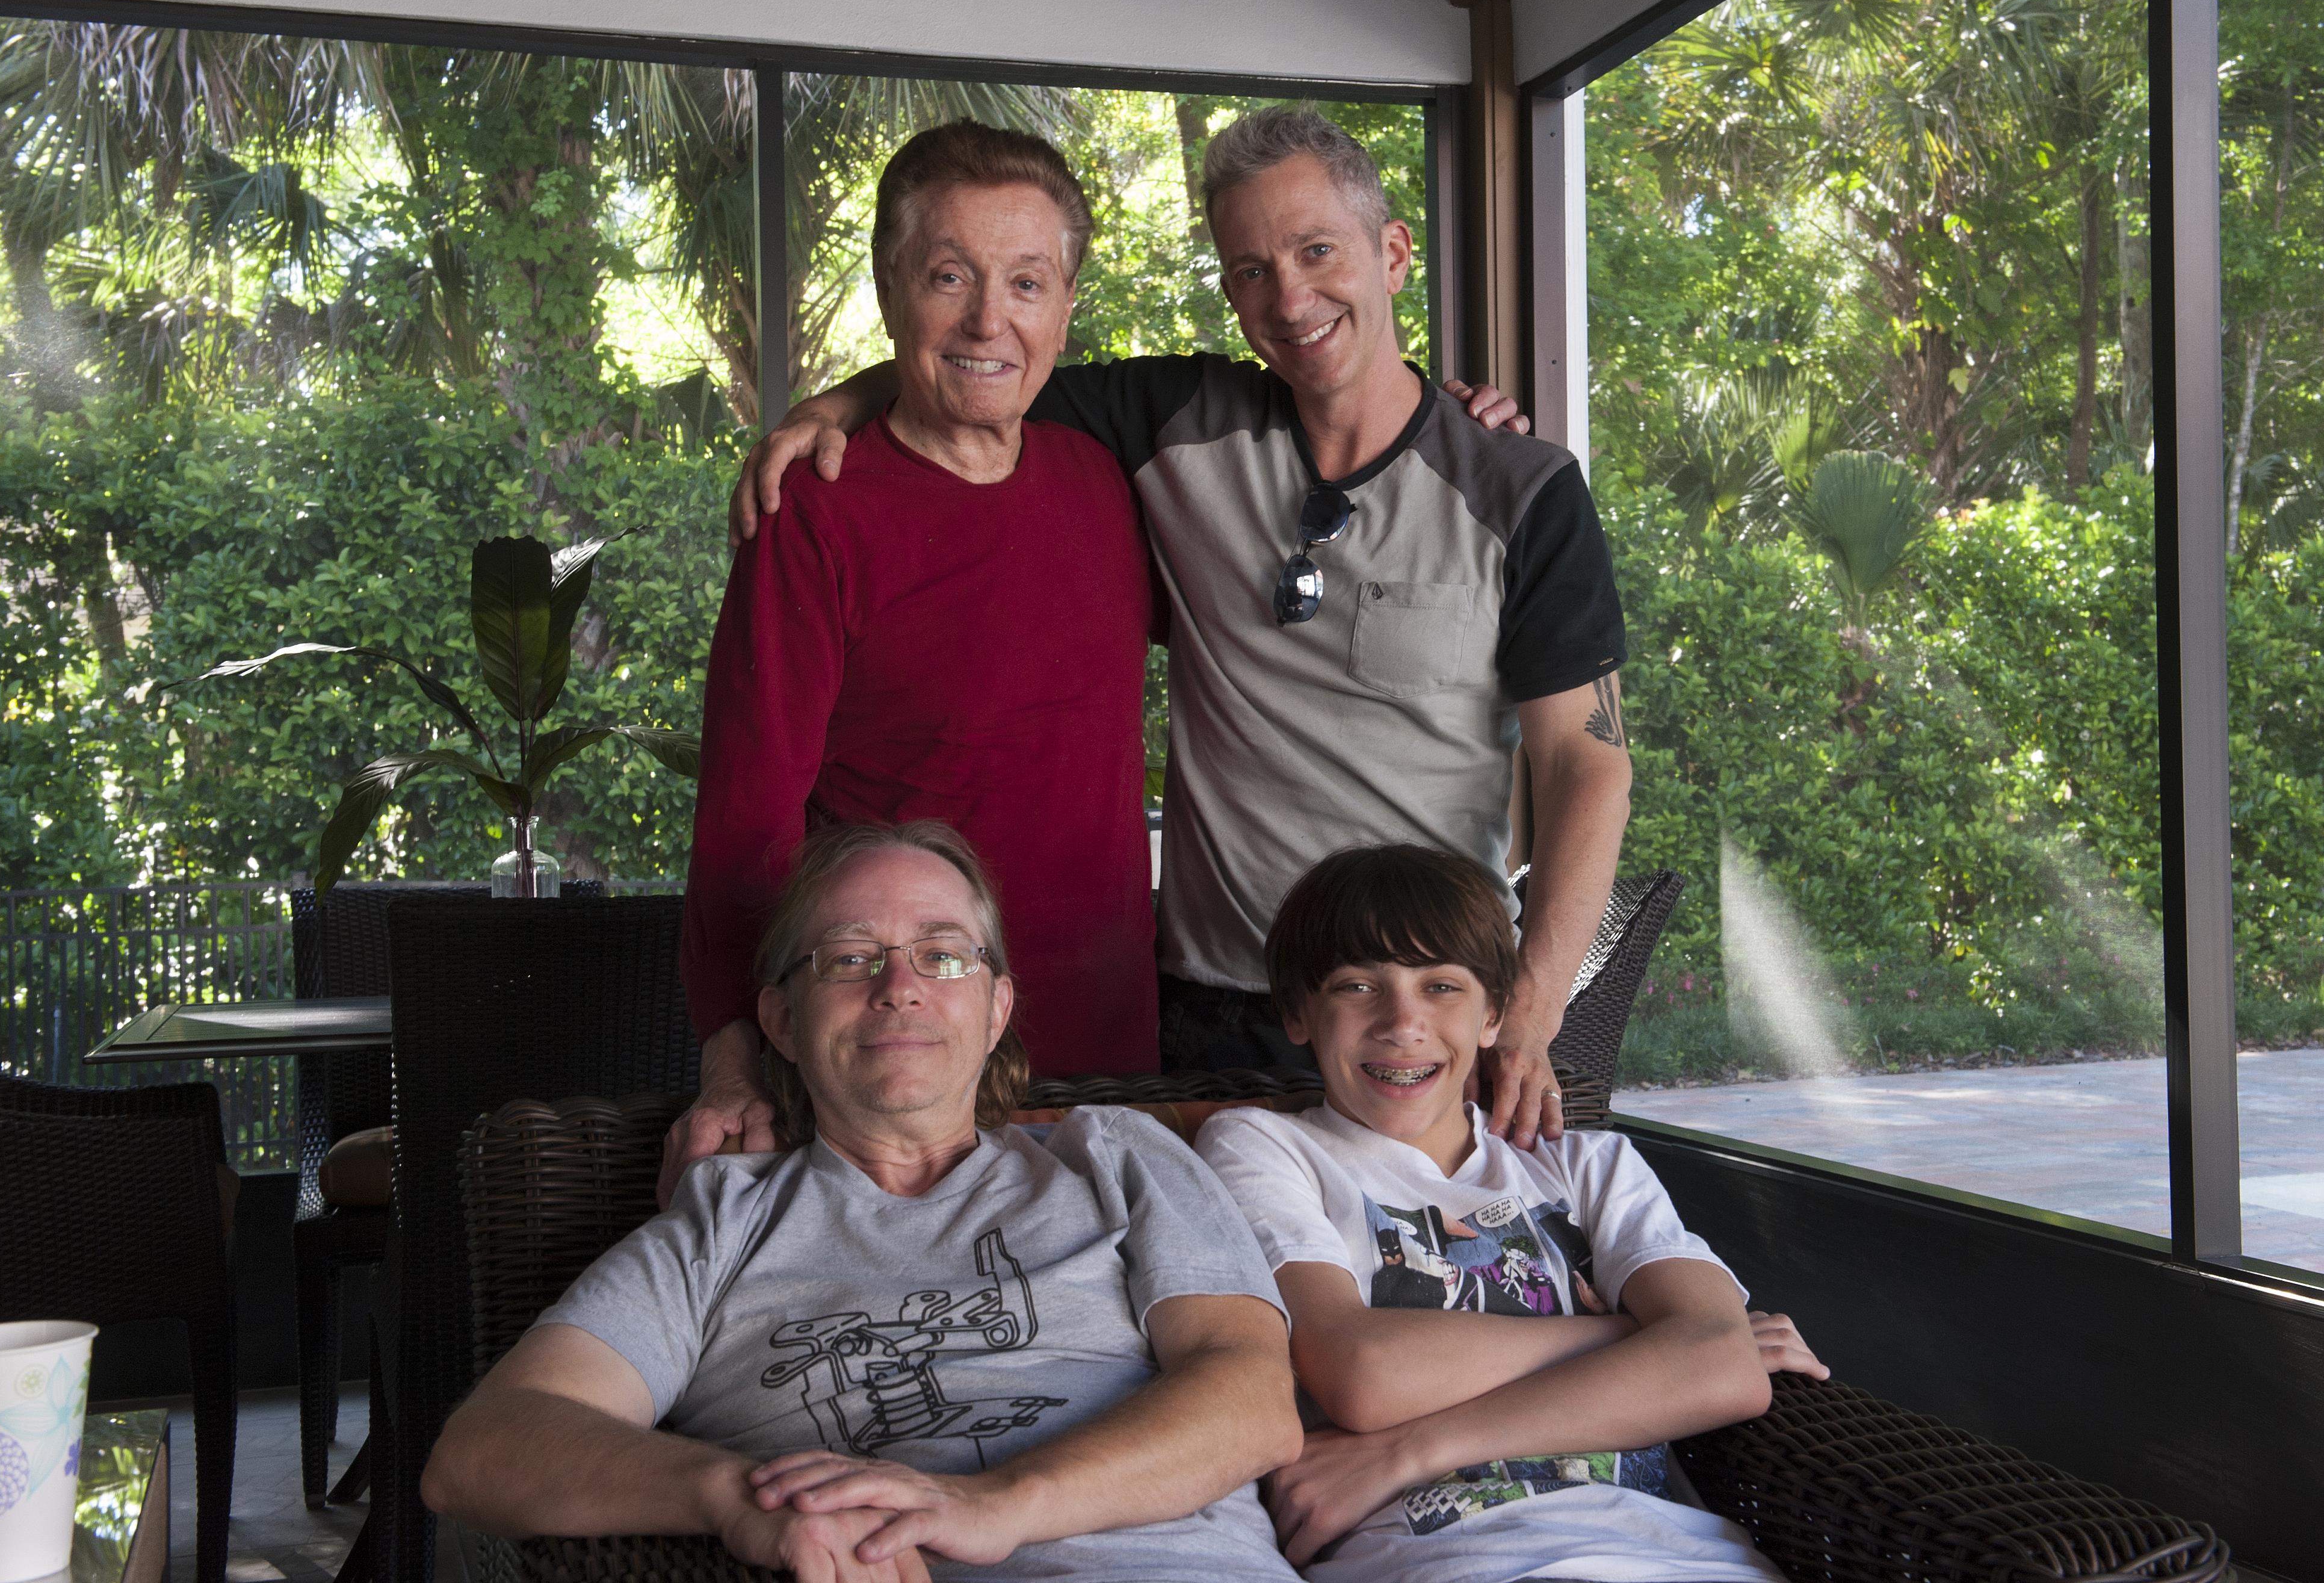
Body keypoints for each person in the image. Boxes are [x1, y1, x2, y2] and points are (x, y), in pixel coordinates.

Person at [728, 105, 1631, 1159]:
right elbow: (984, 363)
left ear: (1392, 252)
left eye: (1318, 252)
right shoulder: (1173, 427)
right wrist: (832, 405)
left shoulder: (1522, 489)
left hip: (1412, 1013)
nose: (1289, 298)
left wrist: (1526, 1012)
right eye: (1250, 269)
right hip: (1197, 1009)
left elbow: (1589, 767)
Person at [424, 819, 1306, 1583]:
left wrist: (996, 1501)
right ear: (779, 1019)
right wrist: (741, 1498)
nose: (899, 984)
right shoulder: (722, 1222)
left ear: (996, 1006)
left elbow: (1253, 1397)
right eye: (850, 957)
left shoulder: (1115, 1156)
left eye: (943, 953)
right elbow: (483, 1449)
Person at [676, 120, 1162, 1183]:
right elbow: (744, 815)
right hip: (894, 1063)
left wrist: (1450, 414)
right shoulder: (816, 510)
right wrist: (730, 1060)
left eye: (1028, 282)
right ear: (891, 289)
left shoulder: (1109, 487)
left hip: (1111, 1054)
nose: (991, 317)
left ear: (1067, 305)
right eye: (950, 276)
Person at [1193, 844, 1828, 1581]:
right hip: (1449, 1558)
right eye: (1359, 985)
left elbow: (1725, 1365)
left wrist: (1411, 1447)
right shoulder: (1267, 1146)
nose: (1403, 1023)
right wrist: (1637, 1333)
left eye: (1441, 986)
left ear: (1495, 1014)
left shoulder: (1589, 1164)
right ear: (1299, 1011)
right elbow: (1361, 1371)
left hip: (1678, 1555)